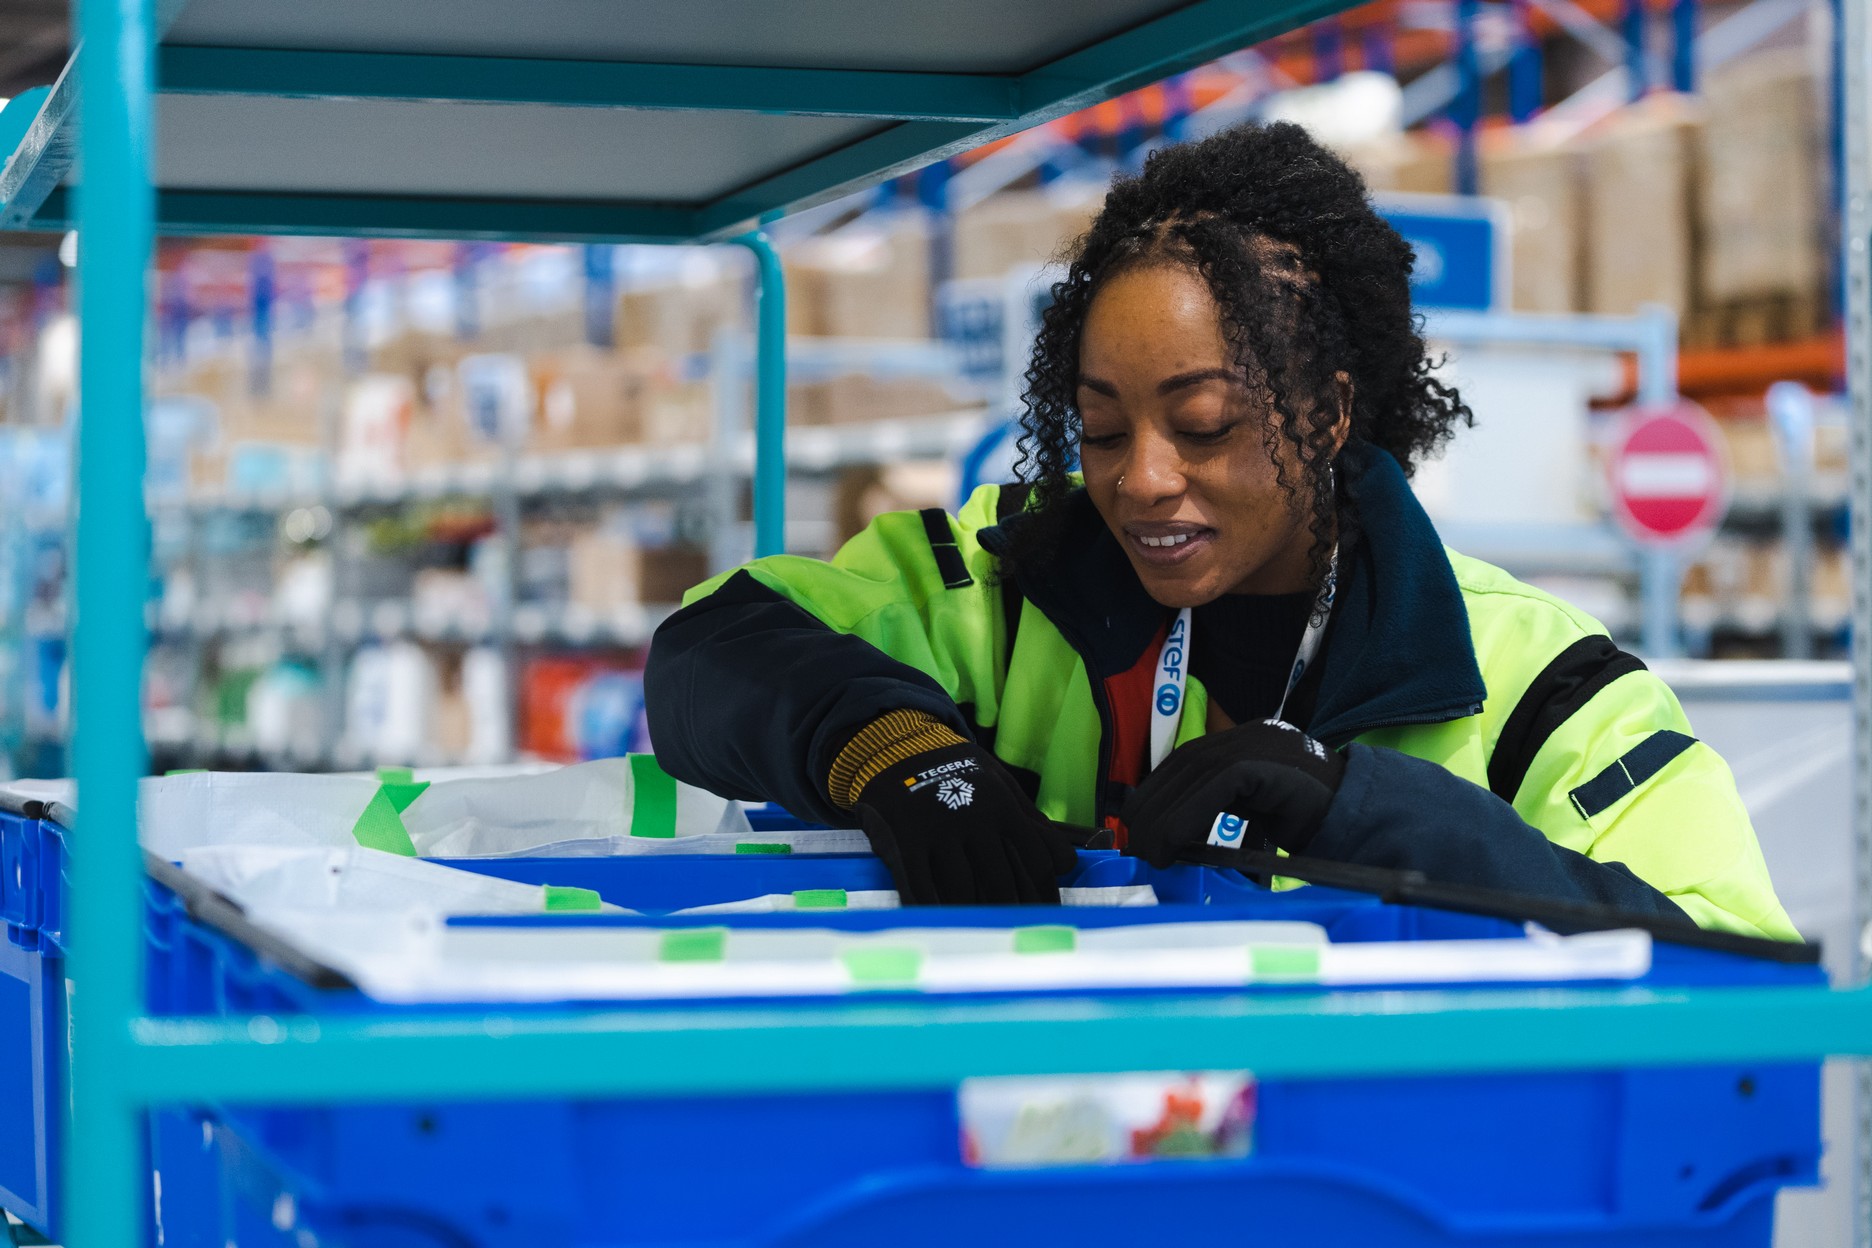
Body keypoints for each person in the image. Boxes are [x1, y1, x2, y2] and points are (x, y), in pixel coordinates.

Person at [645, 121, 1796, 939]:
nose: (1143, 480)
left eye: (1204, 426)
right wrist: (886, 744)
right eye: (1102, 429)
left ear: (1329, 412)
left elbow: (1733, 960)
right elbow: (712, 650)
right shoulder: (989, 587)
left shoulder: (1542, 689)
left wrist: (1365, 810)